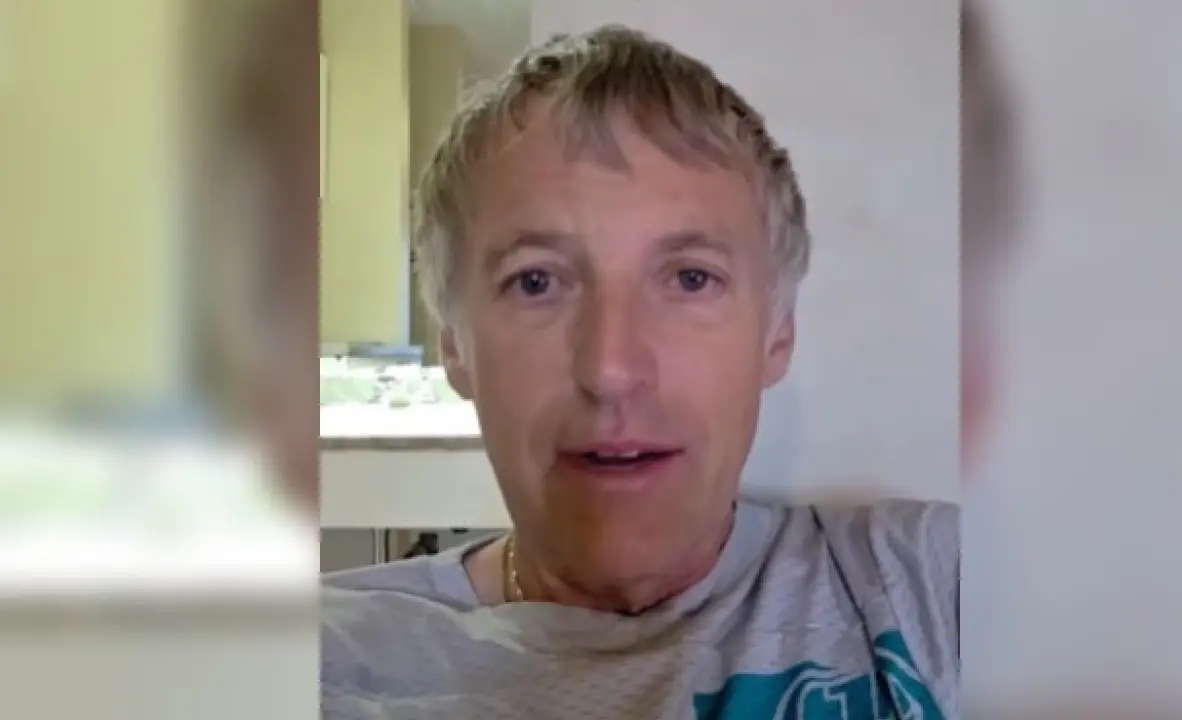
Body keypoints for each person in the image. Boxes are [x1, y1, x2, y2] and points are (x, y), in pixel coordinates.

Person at [321, 24, 958, 719]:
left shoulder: (923, 591)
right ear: (454, 345)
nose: (611, 370)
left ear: (777, 335)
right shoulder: (322, 666)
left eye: (690, 278)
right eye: (536, 282)